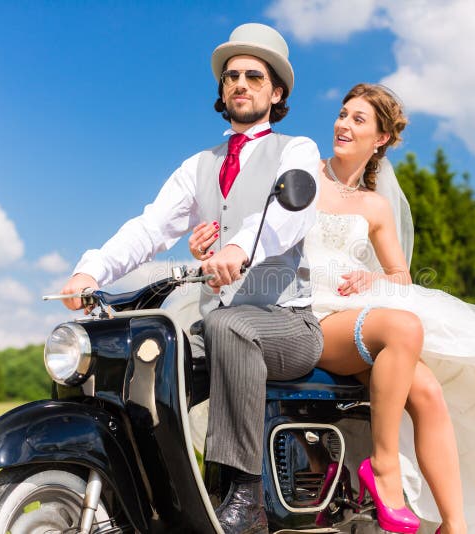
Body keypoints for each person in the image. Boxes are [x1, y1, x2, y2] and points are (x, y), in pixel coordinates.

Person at [190, 83, 475, 534]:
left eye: (358, 120)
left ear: (380, 139)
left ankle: (455, 525)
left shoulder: (376, 206)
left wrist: (373, 278)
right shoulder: (302, 171)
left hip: (358, 320)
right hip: (307, 315)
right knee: (403, 328)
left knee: (427, 394)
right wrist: (206, 240)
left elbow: (401, 277)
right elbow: (246, 225)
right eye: (342, 114)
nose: (343, 125)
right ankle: (384, 470)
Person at [60, 23, 323, 534]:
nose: (240, 84)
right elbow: (150, 227)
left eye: (253, 75)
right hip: (217, 326)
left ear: (276, 91)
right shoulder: (198, 165)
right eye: (231, 77)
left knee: (231, 327)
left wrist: (236, 248)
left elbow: (289, 217)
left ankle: (242, 494)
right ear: (222, 91)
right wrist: (90, 269)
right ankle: (139, 494)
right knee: (141, 353)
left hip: (287, 325)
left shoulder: (297, 151)